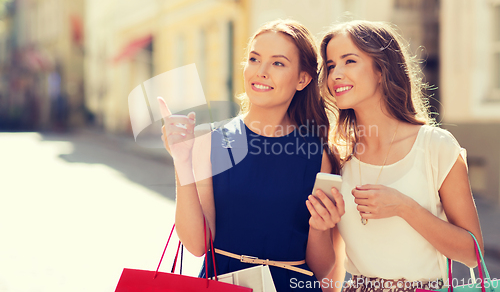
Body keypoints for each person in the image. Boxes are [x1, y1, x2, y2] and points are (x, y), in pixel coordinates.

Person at [159, 19, 345, 291]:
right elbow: (197, 244)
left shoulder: (318, 155)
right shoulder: (210, 142)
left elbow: (321, 268)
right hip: (223, 283)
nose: (261, 71)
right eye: (254, 59)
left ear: (303, 79)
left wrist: (320, 227)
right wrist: (181, 162)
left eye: (278, 63)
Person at [318, 20, 484, 292]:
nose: (336, 74)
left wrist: (404, 208)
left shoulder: (435, 146)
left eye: (349, 61)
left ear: (381, 70)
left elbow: (473, 254)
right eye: (331, 65)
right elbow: (331, 265)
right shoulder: (337, 156)